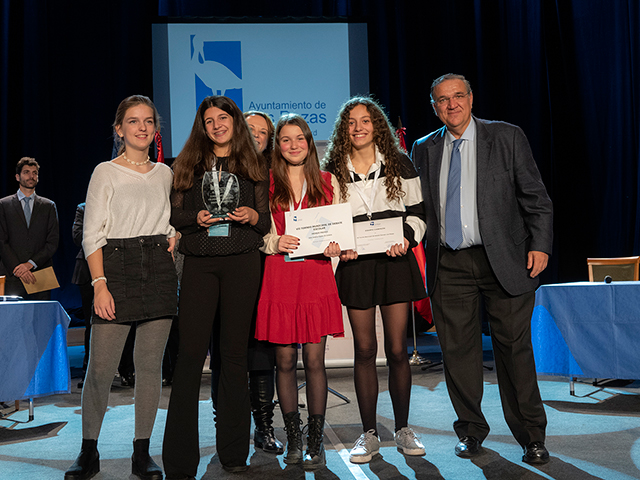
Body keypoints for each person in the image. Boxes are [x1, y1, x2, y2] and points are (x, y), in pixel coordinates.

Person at [410, 73, 553, 464]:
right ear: (434, 106)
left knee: (514, 351)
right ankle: (471, 431)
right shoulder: (423, 148)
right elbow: (416, 208)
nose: (451, 105)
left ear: (471, 99)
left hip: (505, 260)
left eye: (458, 96)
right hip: (449, 263)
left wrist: (540, 245)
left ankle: (532, 437)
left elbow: (536, 197)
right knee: (458, 354)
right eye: (442, 99)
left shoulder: (506, 136)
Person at [64, 95, 178, 480]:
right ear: (119, 129)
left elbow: (166, 218)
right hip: (115, 269)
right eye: (133, 121)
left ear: (155, 129)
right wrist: (99, 285)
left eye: (148, 121)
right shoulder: (105, 172)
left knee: (150, 369)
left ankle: (142, 452)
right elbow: (92, 234)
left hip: (158, 270)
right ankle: (88, 451)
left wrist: (174, 234)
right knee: (100, 369)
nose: (142, 127)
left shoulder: (164, 173)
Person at [162, 95, 270, 477]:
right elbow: (175, 213)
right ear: (201, 126)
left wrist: (254, 213)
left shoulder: (253, 162)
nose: (216, 125)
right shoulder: (186, 163)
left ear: (234, 121)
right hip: (200, 266)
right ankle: (178, 461)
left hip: (242, 263)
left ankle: (234, 452)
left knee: (234, 356)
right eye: (209, 120)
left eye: (222, 117)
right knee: (190, 358)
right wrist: (197, 217)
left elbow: (265, 221)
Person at [324, 97, 427, 464]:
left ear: (377, 125)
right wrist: (338, 246)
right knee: (365, 351)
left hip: (395, 262)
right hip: (356, 266)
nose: (358, 127)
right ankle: (368, 434)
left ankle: (402, 429)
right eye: (351, 122)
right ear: (343, 129)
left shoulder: (400, 164)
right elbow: (329, 221)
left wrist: (407, 238)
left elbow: (418, 213)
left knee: (398, 350)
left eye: (365, 120)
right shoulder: (332, 170)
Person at [255, 113, 344, 469]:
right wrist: (275, 241)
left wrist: (334, 246)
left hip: (316, 276)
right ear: (278, 146)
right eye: (286, 140)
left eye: (300, 139)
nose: (293, 146)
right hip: (279, 276)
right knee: (285, 361)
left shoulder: (327, 180)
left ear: (310, 143)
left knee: (315, 362)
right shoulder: (266, 183)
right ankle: (293, 438)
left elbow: (337, 228)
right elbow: (259, 234)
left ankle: (315, 441)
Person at [0, 157, 59, 300]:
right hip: (12, 275)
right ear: (17, 177)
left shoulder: (48, 206)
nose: (31, 176)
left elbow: (52, 242)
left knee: (39, 320)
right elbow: (1, 241)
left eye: (34, 173)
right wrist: (18, 267)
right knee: (13, 320)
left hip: (40, 275)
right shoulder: (3, 204)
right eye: (26, 172)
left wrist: (29, 264)